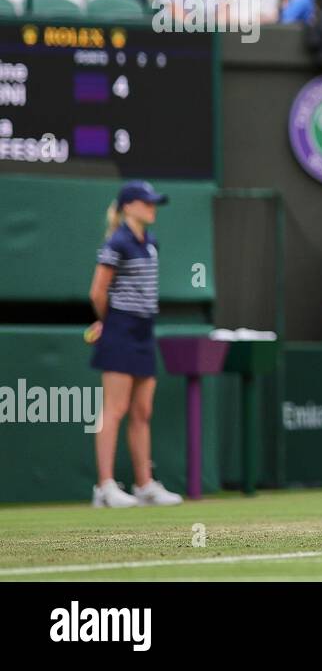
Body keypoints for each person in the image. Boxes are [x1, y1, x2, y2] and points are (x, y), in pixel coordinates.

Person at [86, 181, 184, 508]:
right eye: (146, 202)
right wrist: (108, 321)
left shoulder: (151, 242)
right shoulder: (117, 242)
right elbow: (98, 292)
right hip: (120, 329)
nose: (152, 207)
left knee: (143, 411)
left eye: (153, 202)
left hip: (144, 330)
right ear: (128, 206)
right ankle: (104, 487)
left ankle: (144, 485)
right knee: (114, 410)